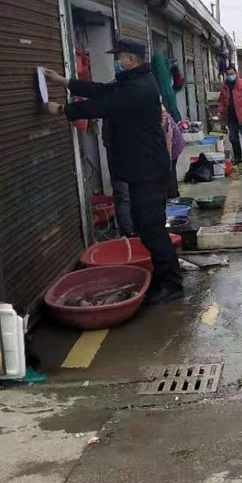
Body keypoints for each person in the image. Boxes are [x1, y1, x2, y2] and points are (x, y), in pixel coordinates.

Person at [42, 39, 183, 305]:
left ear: (130, 58)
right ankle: (165, 279)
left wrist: (62, 109)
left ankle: (172, 285)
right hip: (142, 167)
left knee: (151, 228)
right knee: (147, 226)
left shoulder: (138, 87)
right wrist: (65, 82)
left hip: (149, 169)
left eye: (119, 57)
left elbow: (103, 105)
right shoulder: (133, 80)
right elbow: (103, 90)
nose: (117, 62)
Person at [218, 65, 242, 167]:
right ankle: (238, 158)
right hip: (231, 117)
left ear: (236, 73)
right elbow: (221, 100)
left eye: (232, 74)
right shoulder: (224, 86)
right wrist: (220, 111)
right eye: (228, 74)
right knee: (233, 138)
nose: (230, 76)